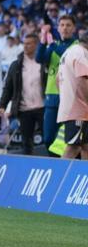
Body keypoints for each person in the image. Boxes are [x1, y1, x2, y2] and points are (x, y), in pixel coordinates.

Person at [0, 32, 46, 155]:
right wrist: (2, 105)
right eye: (24, 44)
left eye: (29, 44)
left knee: (49, 139)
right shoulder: (16, 65)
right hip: (24, 109)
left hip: (44, 108)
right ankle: (29, 167)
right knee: (26, 142)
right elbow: (8, 88)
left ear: (36, 45)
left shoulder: (44, 62)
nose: (25, 46)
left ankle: (54, 165)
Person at [40, 15, 77, 151]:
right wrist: (43, 41)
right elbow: (39, 58)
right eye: (62, 25)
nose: (65, 28)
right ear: (58, 28)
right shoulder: (55, 45)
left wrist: (52, 45)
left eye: (68, 25)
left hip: (70, 97)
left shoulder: (77, 45)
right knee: (48, 137)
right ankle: (56, 166)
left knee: (71, 138)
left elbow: (67, 55)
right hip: (52, 95)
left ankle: (68, 165)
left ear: (73, 28)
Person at [55, 29, 88, 160]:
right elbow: (85, 80)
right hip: (79, 108)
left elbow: (58, 80)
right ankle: (57, 177)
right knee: (74, 147)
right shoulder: (82, 53)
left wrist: (65, 98)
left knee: (85, 146)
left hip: (71, 107)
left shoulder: (69, 51)